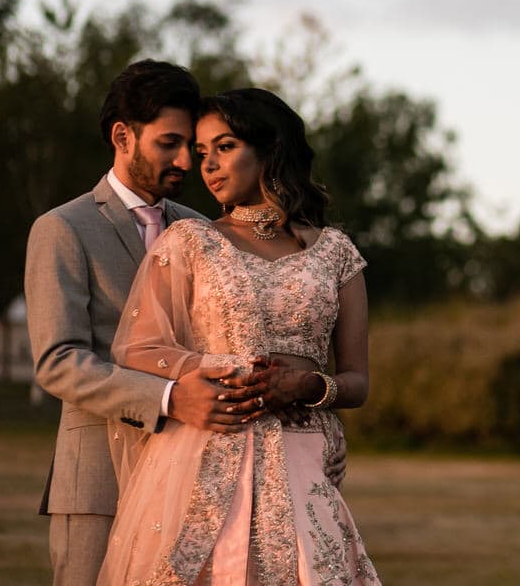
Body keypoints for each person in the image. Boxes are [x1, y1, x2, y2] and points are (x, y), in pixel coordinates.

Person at [98, 87, 381, 585]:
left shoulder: (336, 253)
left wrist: (310, 387)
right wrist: (228, 371)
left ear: (270, 148)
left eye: (224, 148)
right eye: (203, 153)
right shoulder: (190, 242)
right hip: (208, 448)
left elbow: (357, 380)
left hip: (303, 458)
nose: (207, 166)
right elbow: (138, 348)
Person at [26, 60, 270, 586]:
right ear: (123, 136)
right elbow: (58, 362)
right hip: (97, 485)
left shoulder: (205, 231)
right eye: (170, 143)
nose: (186, 161)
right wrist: (168, 397)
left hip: (195, 477)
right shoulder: (62, 229)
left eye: (194, 148)